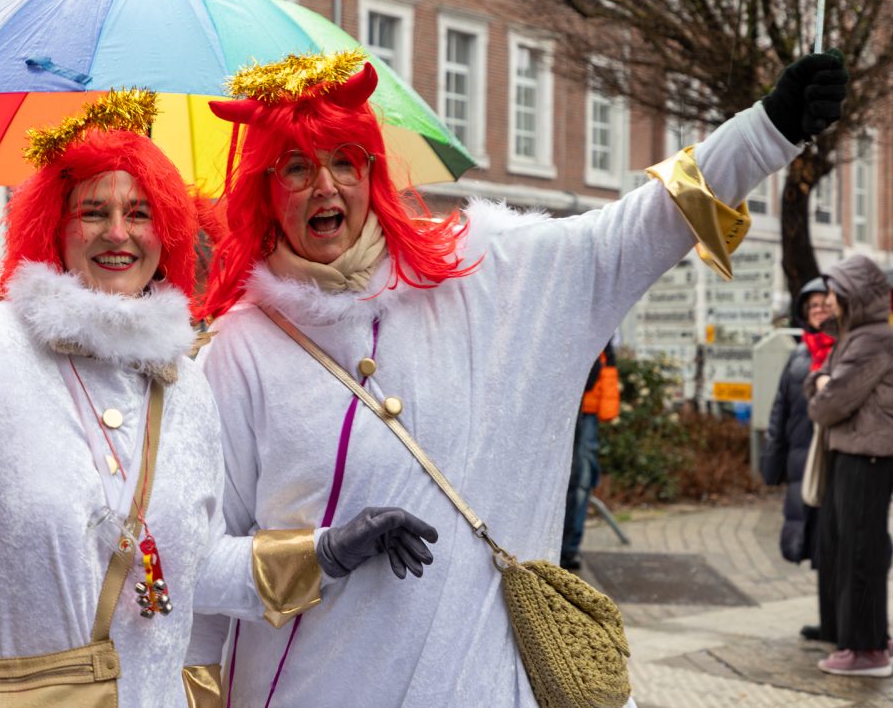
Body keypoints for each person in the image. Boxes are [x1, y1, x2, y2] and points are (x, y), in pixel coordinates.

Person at [185, 48, 847, 706]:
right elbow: (197, 565)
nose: (325, 187)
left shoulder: (483, 273)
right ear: (267, 191)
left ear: (373, 172)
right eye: (297, 168)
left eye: (343, 161)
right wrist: (320, 553)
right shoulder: (238, 354)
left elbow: (635, 230)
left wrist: (766, 130)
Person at [0, 90, 434, 707]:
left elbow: (191, 571)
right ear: (55, 226)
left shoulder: (186, 383)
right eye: (93, 212)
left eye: (140, 213)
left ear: (165, 235)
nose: (117, 233)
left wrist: (326, 552)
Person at [806, 254, 893, 678]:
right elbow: (818, 382)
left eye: (834, 293)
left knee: (860, 549)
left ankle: (867, 649)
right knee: (850, 546)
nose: (829, 301)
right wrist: (822, 384)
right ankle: (864, 637)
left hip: (867, 454)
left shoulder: (872, 340)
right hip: (855, 451)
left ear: (853, 295)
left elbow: (829, 403)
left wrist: (823, 385)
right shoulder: (855, 336)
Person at [759, 278, 832, 639]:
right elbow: (780, 411)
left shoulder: (846, 349)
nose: (819, 311)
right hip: (803, 461)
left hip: (837, 462)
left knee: (839, 544)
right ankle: (829, 620)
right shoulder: (800, 354)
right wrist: (772, 463)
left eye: (824, 304)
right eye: (812, 306)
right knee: (816, 542)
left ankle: (849, 624)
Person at [561, 341, 619, 571]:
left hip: (585, 406)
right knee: (576, 480)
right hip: (569, 403)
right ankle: (566, 547)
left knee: (580, 480)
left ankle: (569, 548)